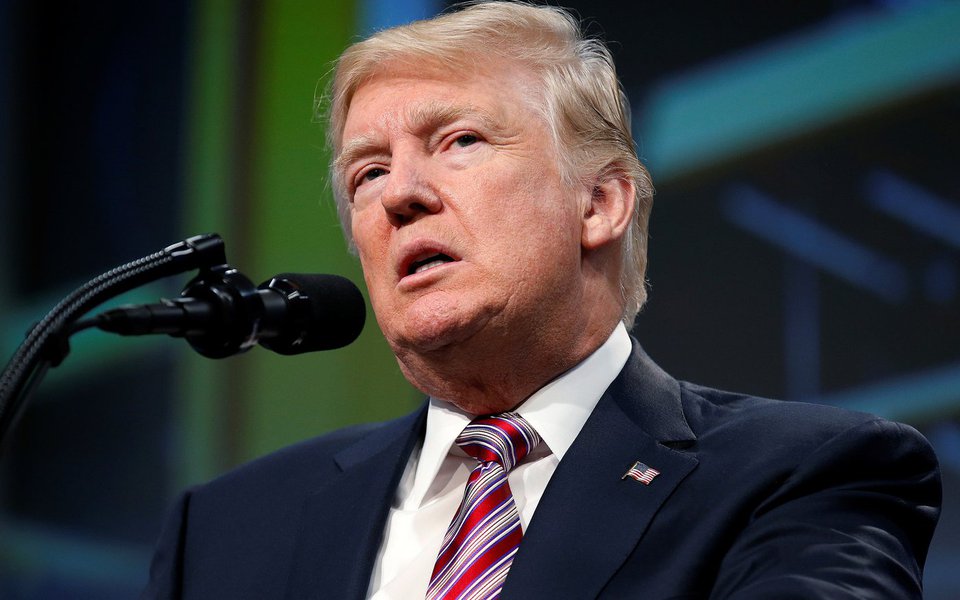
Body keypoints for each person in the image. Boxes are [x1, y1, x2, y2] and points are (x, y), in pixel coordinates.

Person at [141, 3, 941, 599]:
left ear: (600, 203)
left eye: (460, 142)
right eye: (367, 172)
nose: (401, 195)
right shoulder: (222, 534)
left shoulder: (804, 477)